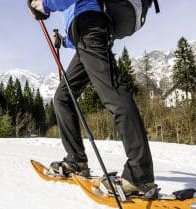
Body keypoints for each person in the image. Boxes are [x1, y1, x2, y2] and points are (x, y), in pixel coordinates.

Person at [28, 0, 156, 196]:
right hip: (85, 33)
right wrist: (63, 40)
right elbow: (78, 13)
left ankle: (139, 176)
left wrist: (43, 4)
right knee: (63, 97)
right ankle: (76, 161)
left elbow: (80, 9)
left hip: (90, 28)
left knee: (115, 95)